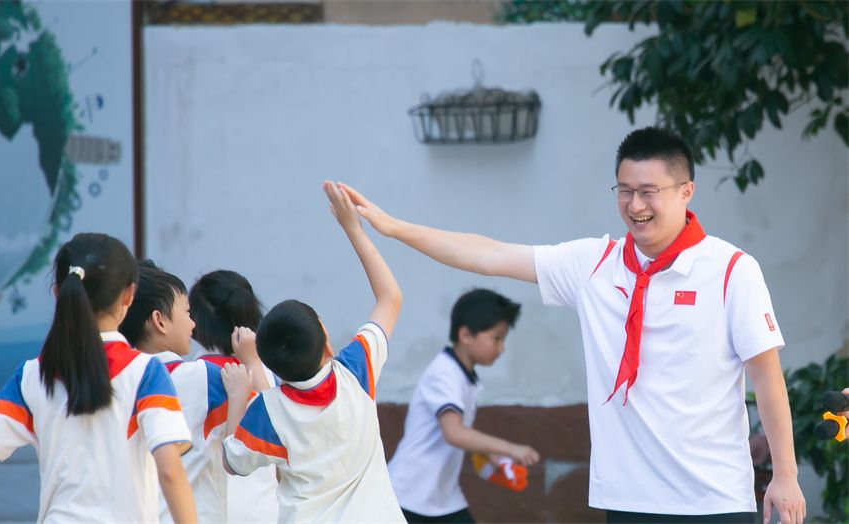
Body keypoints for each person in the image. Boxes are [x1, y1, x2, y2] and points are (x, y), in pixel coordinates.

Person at [342, 127, 806, 524]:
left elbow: (767, 377)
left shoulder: (731, 270)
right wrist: (394, 228)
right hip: (627, 498)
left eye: (649, 191)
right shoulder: (594, 264)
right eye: (624, 190)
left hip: (713, 499)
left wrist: (785, 476)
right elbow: (489, 254)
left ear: (686, 191)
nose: (635, 205)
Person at [0, 233, 196, 523]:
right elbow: (170, 471)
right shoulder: (145, 373)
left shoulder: (32, 376)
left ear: (58, 293)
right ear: (129, 296)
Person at [220, 180, 404, 522]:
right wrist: (353, 229)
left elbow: (233, 463)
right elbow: (390, 297)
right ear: (328, 345)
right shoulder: (356, 371)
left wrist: (238, 395)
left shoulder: (268, 409)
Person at [119, 261, 269, 523]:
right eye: (187, 312)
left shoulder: (116, 384)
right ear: (160, 321)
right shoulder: (207, 377)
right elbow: (271, 421)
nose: (192, 324)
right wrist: (252, 363)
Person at [388, 288, 539, 523]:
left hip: (441, 497)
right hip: (408, 495)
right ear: (466, 335)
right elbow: (454, 433)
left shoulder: (461, 375)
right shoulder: (444, 373)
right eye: (496, 338)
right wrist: (509, 449)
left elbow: (458, 435)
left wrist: (490, 454)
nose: (501, 348)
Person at [189, 268, 279, 523]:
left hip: (216, 510)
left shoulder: (196, 373)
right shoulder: (265, 370)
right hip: (265, 508)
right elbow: (279, 424)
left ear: (198, 322)